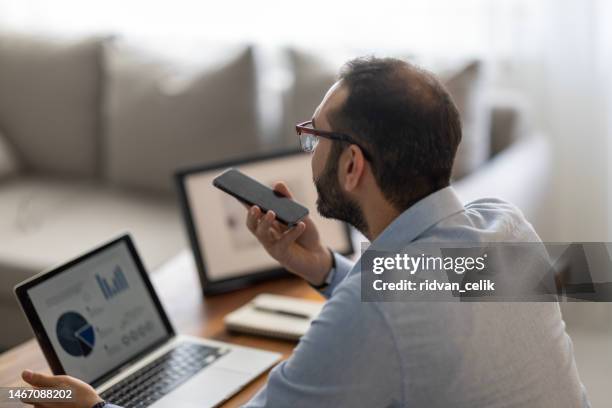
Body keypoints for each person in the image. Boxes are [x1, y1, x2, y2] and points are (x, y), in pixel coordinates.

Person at [22, 57, 589, 407]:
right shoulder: (504, 226)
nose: (309, 152)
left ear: (352, 167)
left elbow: (390, 317)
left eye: (314, 138)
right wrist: (322, 268)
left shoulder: (370, 317)